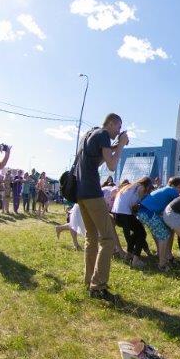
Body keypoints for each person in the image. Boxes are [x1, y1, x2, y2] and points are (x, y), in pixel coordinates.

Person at [74, 113, 128, 301]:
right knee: (108, 239)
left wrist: (114, 146)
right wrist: (121, 145)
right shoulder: (104, 134)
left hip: (81, 192)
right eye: (118, 127)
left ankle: (89, 280)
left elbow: (97, 159)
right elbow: (112, 166)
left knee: (91, 237)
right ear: (111, 123)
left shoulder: (90, 134)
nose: (118, 132)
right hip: (92, 192)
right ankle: (98, 286)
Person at [138, 177, 180, 270]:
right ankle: (162, 264)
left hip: (143, 212)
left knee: (162, 233)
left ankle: (164, 255)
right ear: (176, 186)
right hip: (148, 213)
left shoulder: (164, 190)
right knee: (164, 235)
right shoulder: (172, 190)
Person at [112, 176, 153, 268]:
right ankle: (135, 260)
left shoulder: (129, 186)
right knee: (142, 233)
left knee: (136, 233)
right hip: (125, 215)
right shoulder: (141, 187)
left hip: (117, 215)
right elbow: (134, 206)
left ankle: (128, 255)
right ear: (147, 185)